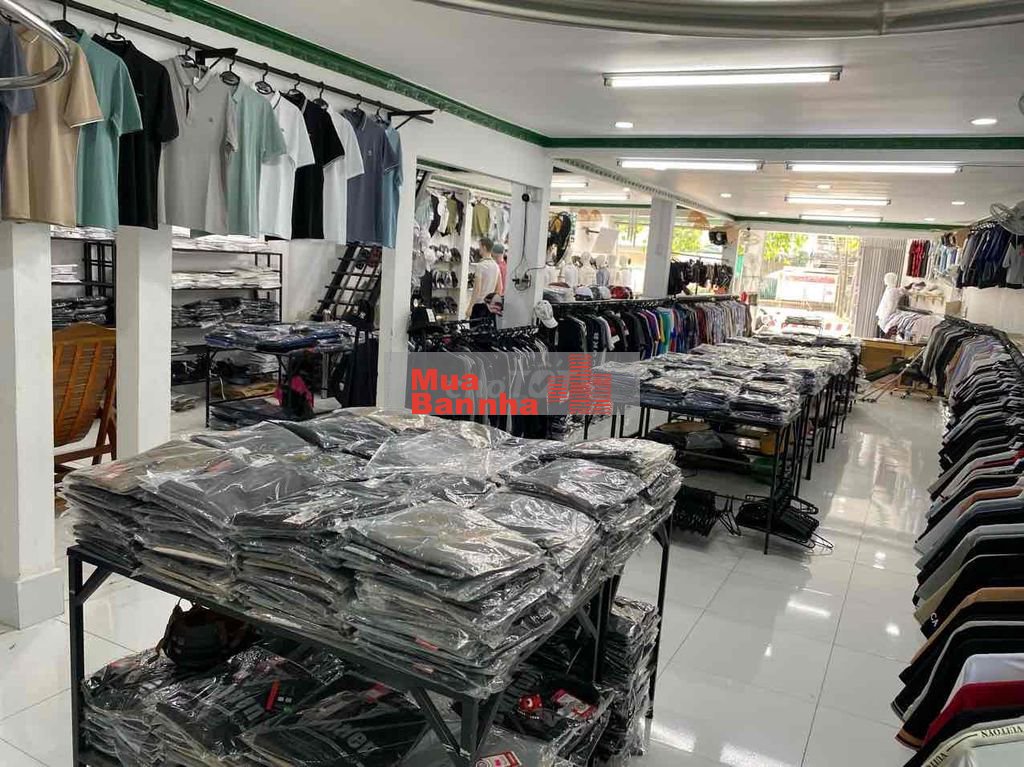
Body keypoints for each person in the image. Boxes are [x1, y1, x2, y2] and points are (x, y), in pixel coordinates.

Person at [468, 237, 502, 318]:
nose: (479, 249)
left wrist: (470, 307)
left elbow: (477, 289)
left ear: (484, 247)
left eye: (480, 246)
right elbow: (499, 288)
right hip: (490, 306)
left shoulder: (481, 265)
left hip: (479, 305)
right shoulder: (496, 266)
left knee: (475, 326)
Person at [875, 272, 906, 337]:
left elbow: (890, 307)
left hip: (885, 318)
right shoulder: (890, 290)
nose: (884, 280)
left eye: (886, 279)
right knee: (881, 337)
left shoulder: (891, 291)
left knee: (881, 337)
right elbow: (902, 291)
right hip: (885, 318)